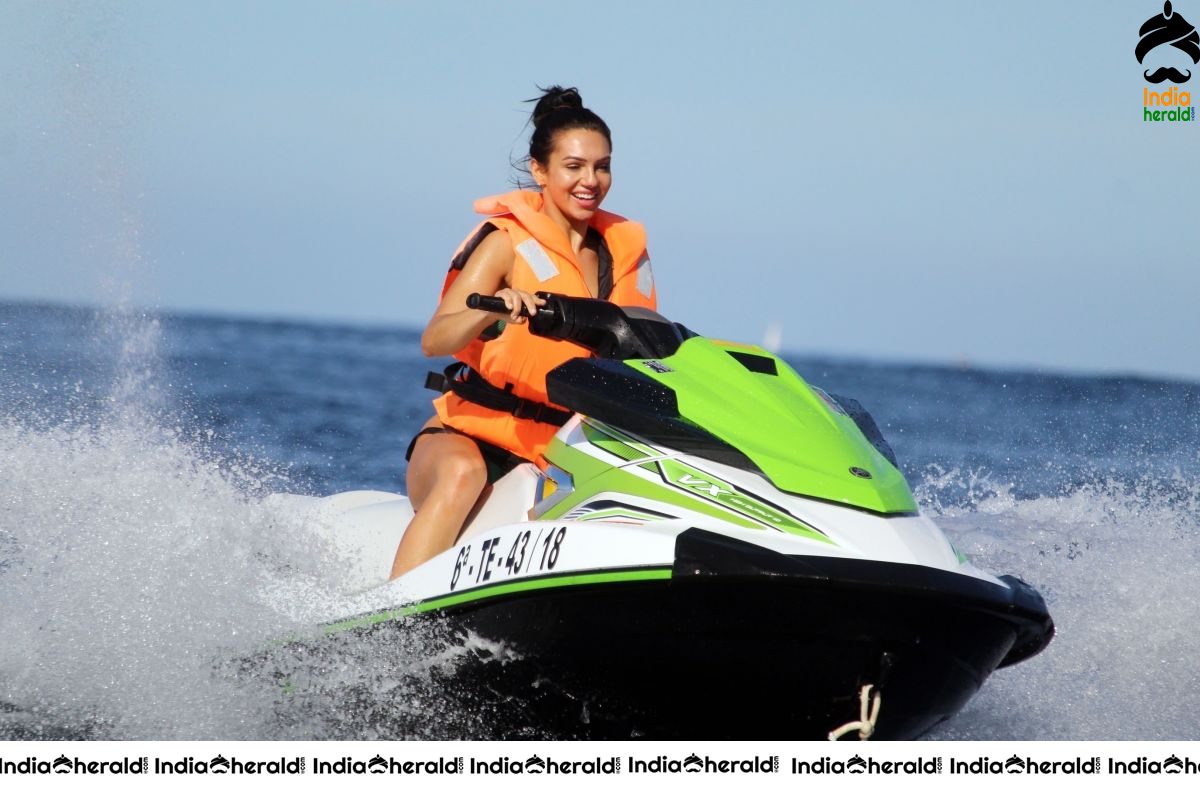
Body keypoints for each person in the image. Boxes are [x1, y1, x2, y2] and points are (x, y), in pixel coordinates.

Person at [390, 86, 657, 579]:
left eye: (602, 167)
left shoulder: (626, 253)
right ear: (540, 170)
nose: (590, 181)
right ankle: (387, 635)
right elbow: (437, 338)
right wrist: (494, 309)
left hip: (565, 443)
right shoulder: (506, 243)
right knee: (461, 476)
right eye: (573, 166)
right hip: (473, 435)